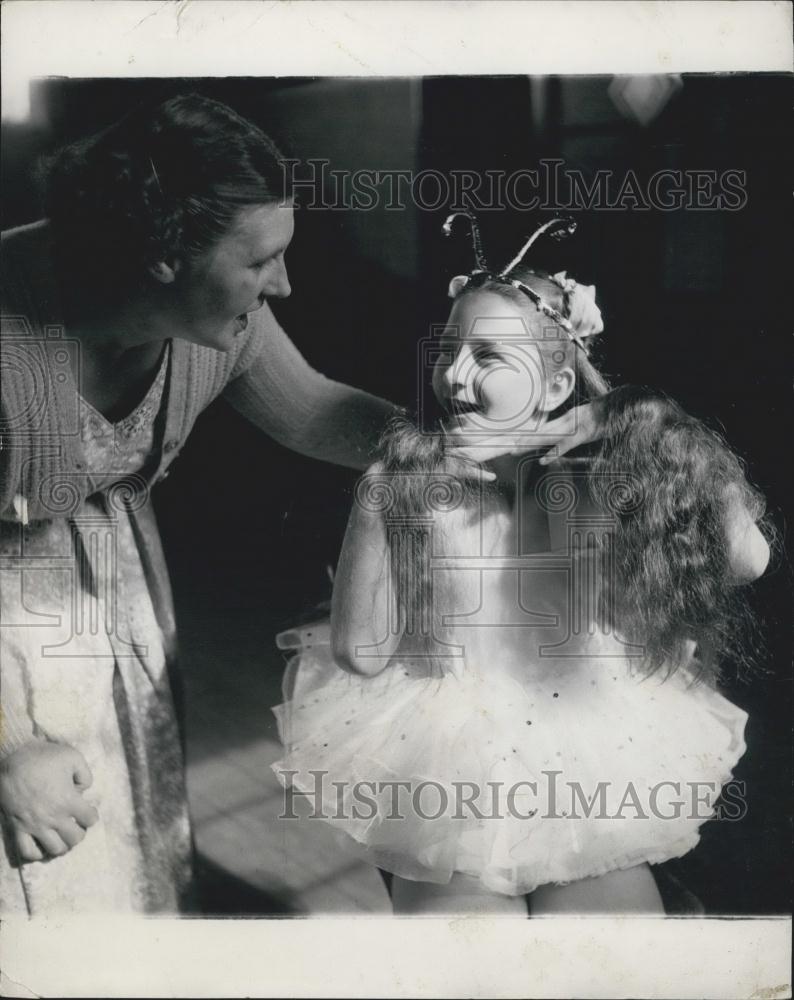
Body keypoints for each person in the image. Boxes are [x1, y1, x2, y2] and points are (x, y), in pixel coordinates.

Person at [271, 214, 772, 916]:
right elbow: (361, 650)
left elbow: (748, 556)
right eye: (448, 351)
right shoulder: (415, 482)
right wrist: (382, 496)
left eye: (488, 355)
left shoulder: (602, 476)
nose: (454, 376)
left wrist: (633, 421)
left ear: (556, 381)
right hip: (451, 768)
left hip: (587, 752)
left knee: (618, 956)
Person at [0, 92, 414, 914]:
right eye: (260, 260)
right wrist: (7, 746)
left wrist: (471, 441)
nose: (285, 285)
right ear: (163, 256)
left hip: (116, 593)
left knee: (130, 853)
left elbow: (312, 411)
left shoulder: (221, 322)